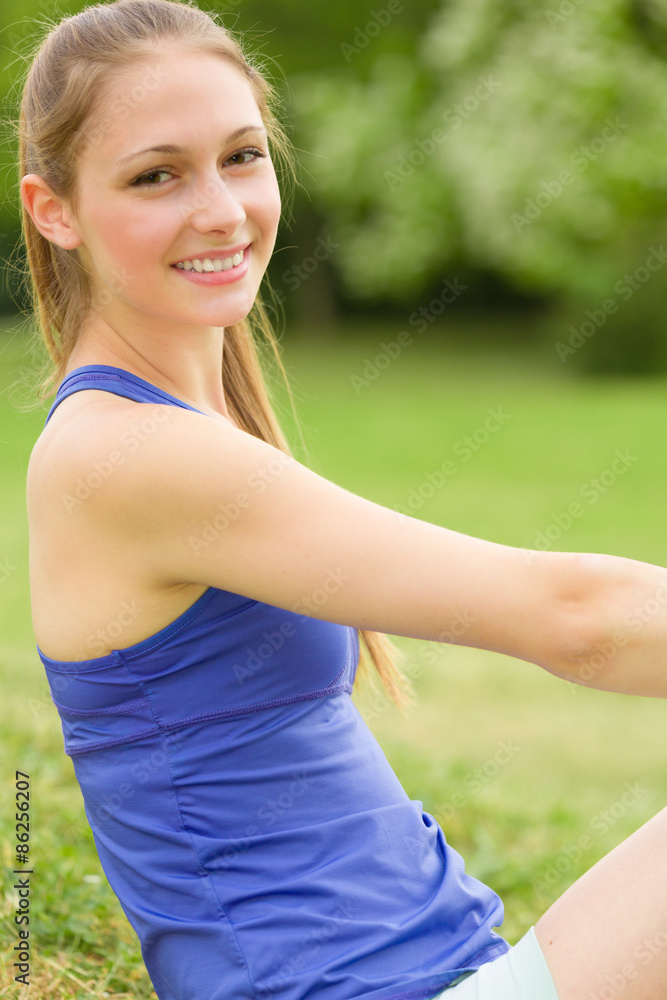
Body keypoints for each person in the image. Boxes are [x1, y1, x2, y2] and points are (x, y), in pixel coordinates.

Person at [18, 1, 666, 998]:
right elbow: (572, 617)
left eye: (241, 155)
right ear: (52, 208)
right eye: (157, 174)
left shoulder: (173, 431)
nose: (223, 208)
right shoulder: (129, 455)